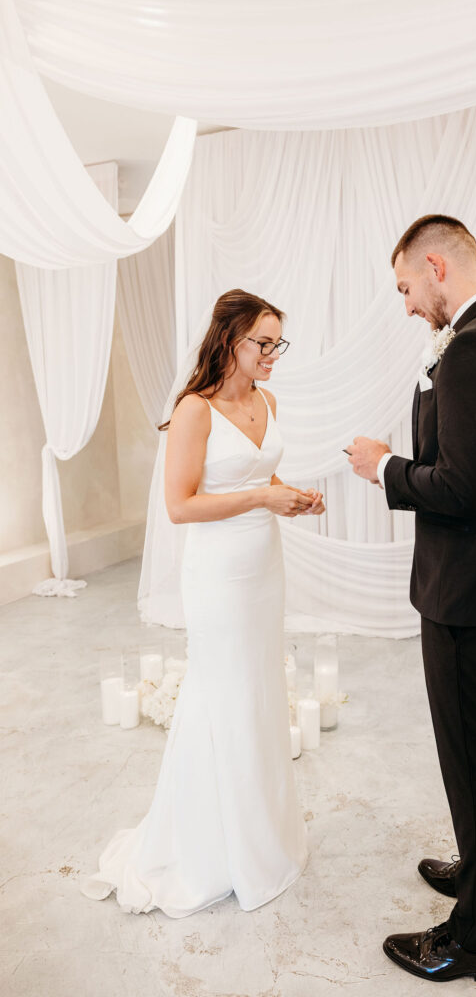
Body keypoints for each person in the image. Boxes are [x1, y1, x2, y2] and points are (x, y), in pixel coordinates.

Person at [347, 215, 476, 984]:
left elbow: (459, 488)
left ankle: (474, 941)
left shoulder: (473, 348)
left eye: (404, 288)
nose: (404, 306)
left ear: (436, 266)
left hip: (467, 590)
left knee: (474, 763)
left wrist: (382, 465)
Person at [81, 288, 324, 916]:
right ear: (230, 341)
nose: (273, 355)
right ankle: (211, 846)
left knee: (261, 690)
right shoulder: (194, 410)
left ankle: (263, 835)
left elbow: (254, 477)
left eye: (278, 344)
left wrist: (289, 494)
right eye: (263, 343)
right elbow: (181, 505)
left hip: (263, 566)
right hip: (218, 575)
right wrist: (261, 499)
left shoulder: (267, 400)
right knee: (225, 694)